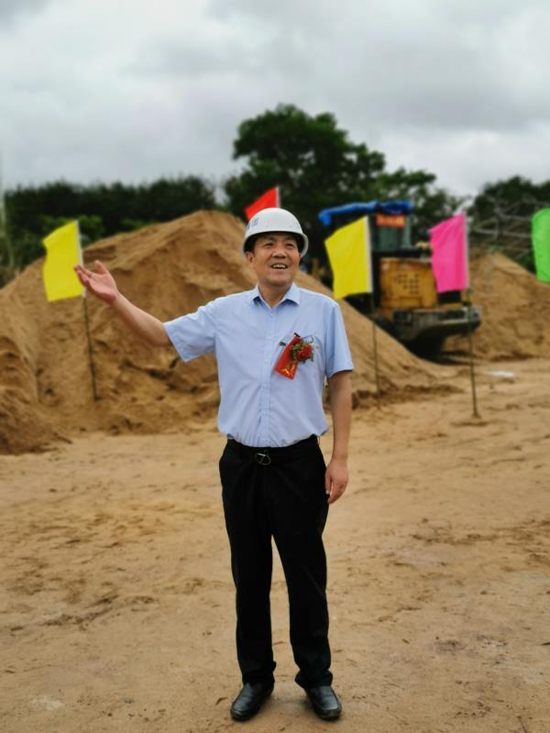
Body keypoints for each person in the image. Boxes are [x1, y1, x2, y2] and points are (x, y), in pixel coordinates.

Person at [75, 207, 353, 722]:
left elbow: (340, 382)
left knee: (307, 577)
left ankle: (316, 678)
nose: (279, 252)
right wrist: (115, 300)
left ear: (299, 255)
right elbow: (160, 335)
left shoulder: (322, 312)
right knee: (249, 576)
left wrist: (338, 458)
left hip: (300, 465)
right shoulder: (224, 313)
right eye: (267, 244)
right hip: (242, 465)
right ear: (249, 257)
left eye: (289, 244)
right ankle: (256, 679)